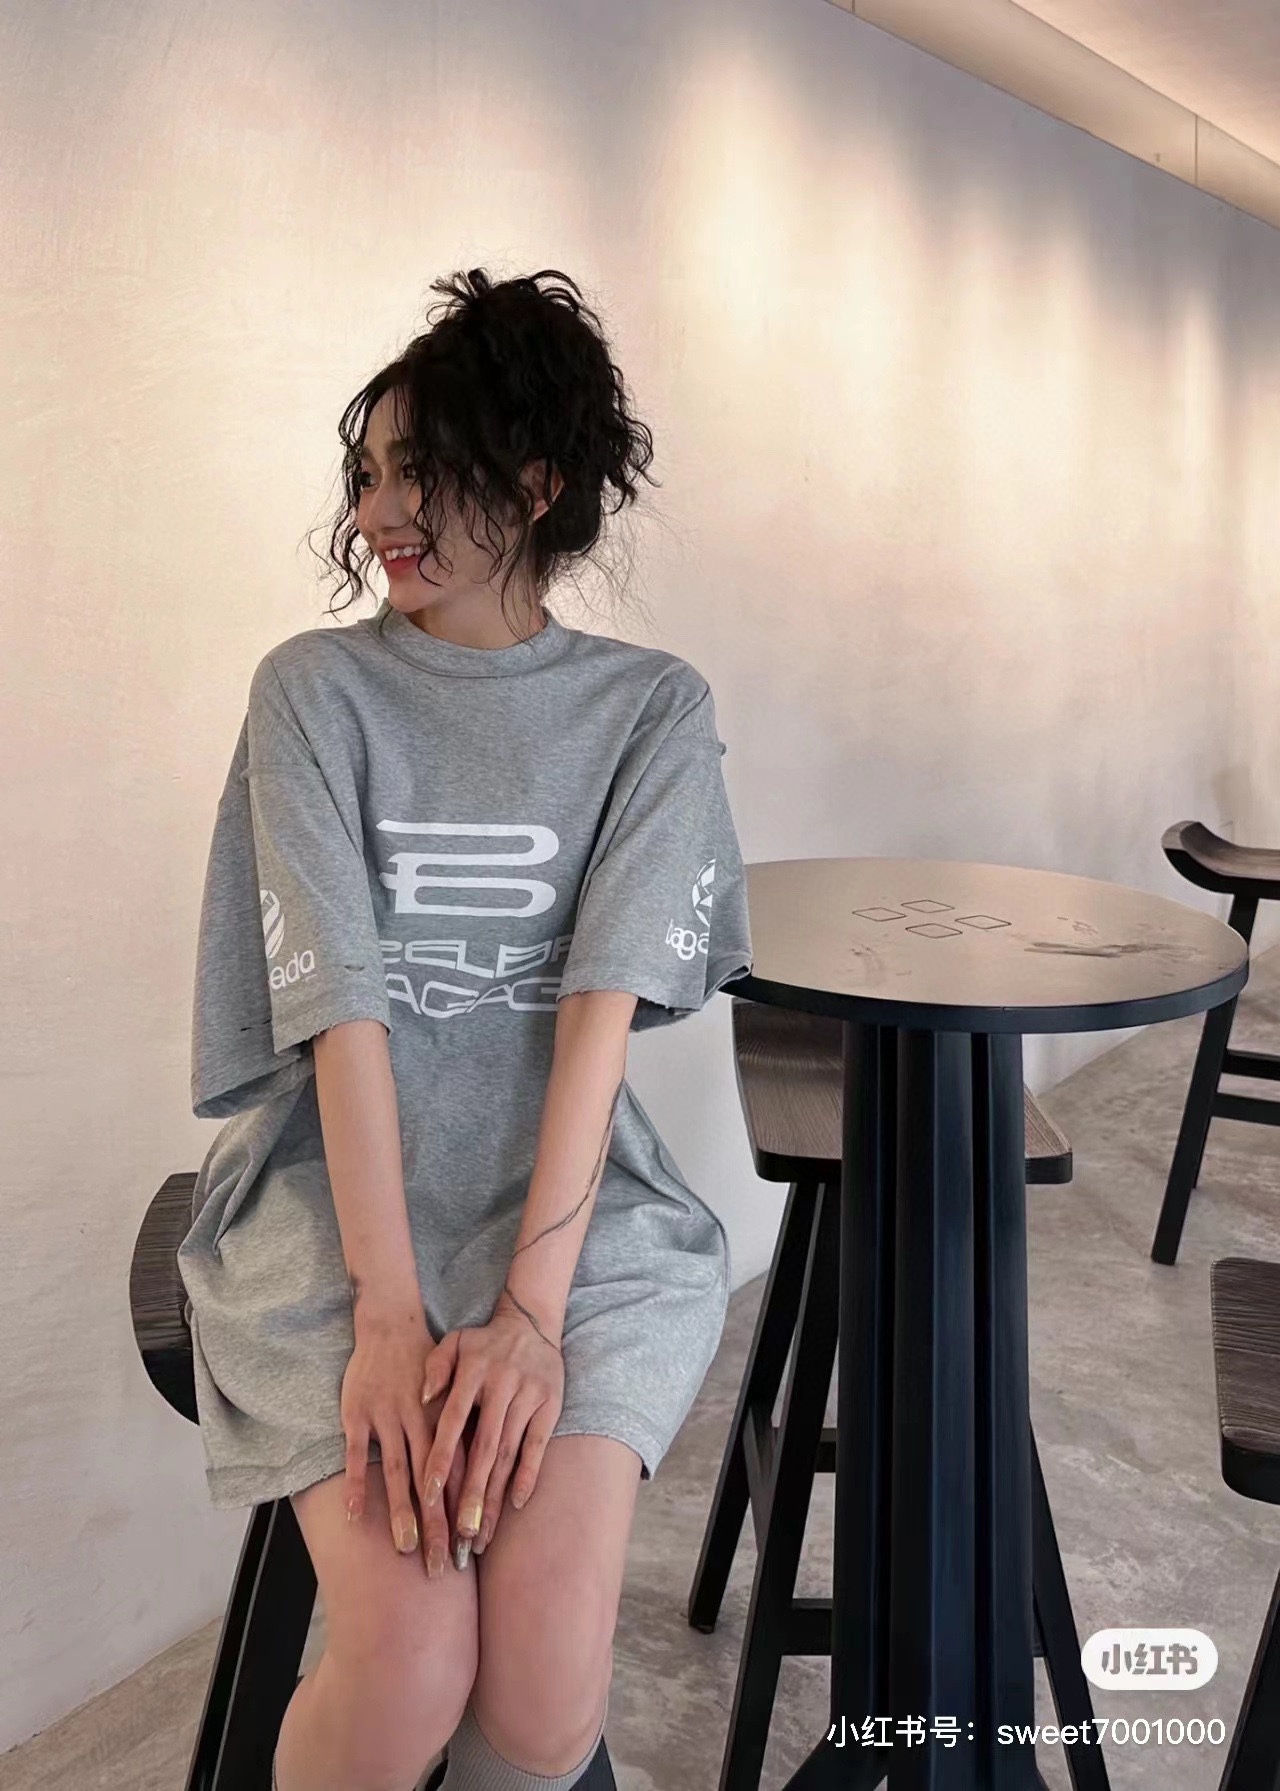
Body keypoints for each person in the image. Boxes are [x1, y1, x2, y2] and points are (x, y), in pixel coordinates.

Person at [177, 266, 753, 1791]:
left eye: (422, 470)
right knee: (412, 1662)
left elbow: (600, 1017)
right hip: (336, 1205)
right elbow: (338, 1008)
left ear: (538, 484)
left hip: (575, 1223)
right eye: (369, 473)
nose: (379, 511)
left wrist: (532, 1318)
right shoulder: (314, 691)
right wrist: (387, 1315)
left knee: (548, 1695)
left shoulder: (650, 710)